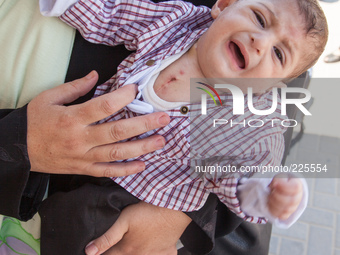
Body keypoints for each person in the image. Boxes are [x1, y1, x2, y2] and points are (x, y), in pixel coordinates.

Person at [37, 0, 327, 254]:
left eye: (278, 54)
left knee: (84, 227)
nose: (261, 43)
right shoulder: (178, 21)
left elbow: (242, 170)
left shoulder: (243, 119)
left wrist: (267, 192)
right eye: (260, 19)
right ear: (224, 5)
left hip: (137, 193)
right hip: (81, 142)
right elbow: (114, 15)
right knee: (42, 185)